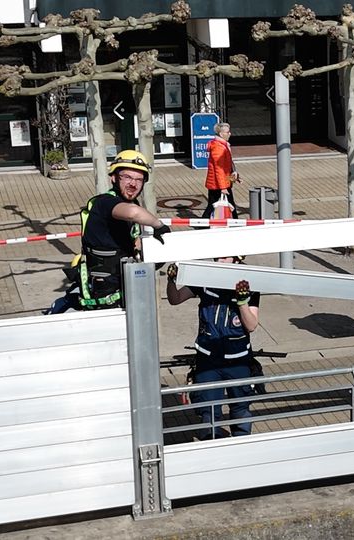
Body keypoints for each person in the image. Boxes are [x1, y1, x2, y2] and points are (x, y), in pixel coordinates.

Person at [47, 149, 170, 313]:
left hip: (121, 290)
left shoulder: (130, 204)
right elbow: (133, 213)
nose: (133, 184)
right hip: (102, 298)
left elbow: (131, 242)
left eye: (139, 180)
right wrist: (159, 225)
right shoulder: (105, 203)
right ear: (113, 177)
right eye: (127, 177)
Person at [166, 259, 259, 440]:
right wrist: (171, 281)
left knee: (240, 408)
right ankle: (210, 452)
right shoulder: (204, 277)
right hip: (208, 361)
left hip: (237, 361)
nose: (220, 259)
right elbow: (175, 299)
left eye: (225, 256)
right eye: (217, 256)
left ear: (236, 257)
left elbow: (251, 325)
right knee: (208, 411)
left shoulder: (248, 282)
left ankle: (242, 447)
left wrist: (242, 302)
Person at [202, 122, 240, 219]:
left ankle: (203, 223)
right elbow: (219, 169)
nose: (230, 134)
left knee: (214, 204)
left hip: (222, 181)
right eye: (227, 132)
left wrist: (235, 178)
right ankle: (236, 222)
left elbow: (227, 166)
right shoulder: (218, 148)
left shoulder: (223, 145)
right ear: (221, 134)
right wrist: (223, 187)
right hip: (217, 183)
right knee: (214, 204)